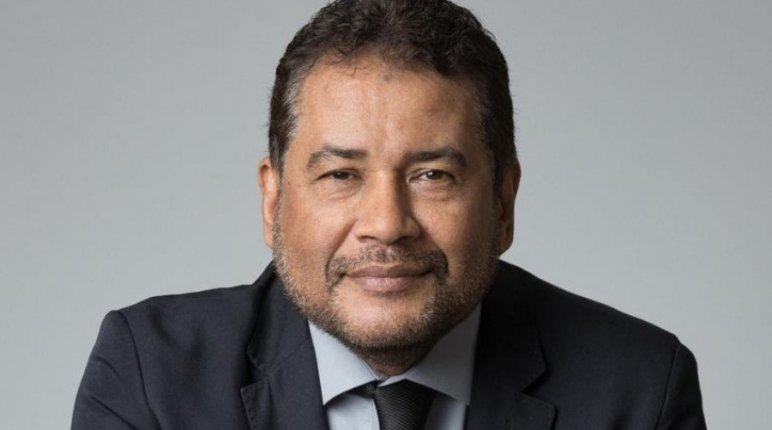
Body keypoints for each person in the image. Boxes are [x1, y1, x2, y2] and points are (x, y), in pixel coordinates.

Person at [72, 1, 707, 429]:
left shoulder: (638, 390)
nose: (386, 223)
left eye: (433, 176)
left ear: (502, 202)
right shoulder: (152, 378)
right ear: (273, 201)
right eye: (340, 175)